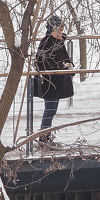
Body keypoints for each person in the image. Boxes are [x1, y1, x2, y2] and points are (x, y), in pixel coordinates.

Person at [31, 14, 75, 146]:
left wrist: (69, 65)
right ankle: (44, 136)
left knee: (52, 109)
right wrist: (60, 67)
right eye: (59, 29)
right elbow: (41, 62)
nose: (61, 31)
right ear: (52, 29)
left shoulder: (59, 42)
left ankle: (46, 135)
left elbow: (64, 57)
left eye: (62, 29)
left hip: (57, 81)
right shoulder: (46, 42)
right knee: (50, 108)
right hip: (50, 82)